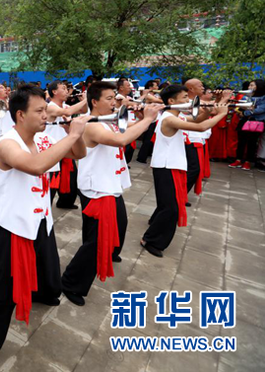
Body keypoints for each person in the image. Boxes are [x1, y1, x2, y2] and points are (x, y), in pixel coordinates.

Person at [0, 85, 89, 372]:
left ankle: (45, 293)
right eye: (40, 111)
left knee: (48, 267)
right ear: (20, 115)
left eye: (46, 110)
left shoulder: (44, 138)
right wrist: (71, 134)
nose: (46, 115)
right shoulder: (7, 144)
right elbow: (36, 167)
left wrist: (78, 134)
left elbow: (78, 155)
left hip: (40, 220)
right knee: (4, 289)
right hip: (14, 227)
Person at [61, 82, 162, 307]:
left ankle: (107, 253)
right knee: (96, 240)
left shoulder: (109, 120)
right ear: (94, 102)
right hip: (98, 189)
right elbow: (121, 140)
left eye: (114, 98)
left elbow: (125, 130)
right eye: (108, 98)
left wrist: (141, 113)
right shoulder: (92, 125)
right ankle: (71, 282)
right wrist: (147, 119)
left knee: (118, 225)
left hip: (109, 185)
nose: (114, 102)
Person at [141, 85, 228, 257]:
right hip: (166, 167)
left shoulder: (176, 115)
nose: (187, 101)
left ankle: (152, 235)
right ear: (172, 101)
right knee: (171, 208)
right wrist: (222, 114)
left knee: (169, 206)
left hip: (172, 166)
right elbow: (201, 127)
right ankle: (150, 239)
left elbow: (196, 120)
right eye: (184, 98)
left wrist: (208, 111)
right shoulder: (168, 118)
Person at [46, 80, 88, 209]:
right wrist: (88, 99)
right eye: (63, 88)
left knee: (71, 180)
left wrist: (85, 99)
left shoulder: (64, 105)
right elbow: (69, 112)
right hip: (52, 151)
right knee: (51, 185)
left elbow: (84, 110)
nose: (66, 91)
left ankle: (65, 203)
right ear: (54, 92)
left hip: (66, 149)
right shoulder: (50, 106)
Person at [229, 80, 265, 170]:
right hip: (244, 121)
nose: (249, 87)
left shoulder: (264, 97)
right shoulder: (246, 96)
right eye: (249, 85)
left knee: (252, 142)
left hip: (256, 122)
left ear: (259, 86)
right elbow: (241, 106)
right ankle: (238, 160)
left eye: (252, 85)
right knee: (241, 141)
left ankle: (247, 162)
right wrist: (243, 110)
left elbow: (260, 110)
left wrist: (246, 112)